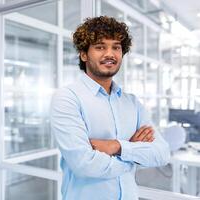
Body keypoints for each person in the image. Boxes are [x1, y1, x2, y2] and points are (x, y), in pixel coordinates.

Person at [50, 16, 170, 200]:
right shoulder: (67, 98)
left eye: (116, 47)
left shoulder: (132, 103)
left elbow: (162, 153)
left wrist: (116, 146)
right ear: (84, 54)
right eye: (100, 47)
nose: (110, 54)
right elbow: (84, 164)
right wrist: (133, 155)